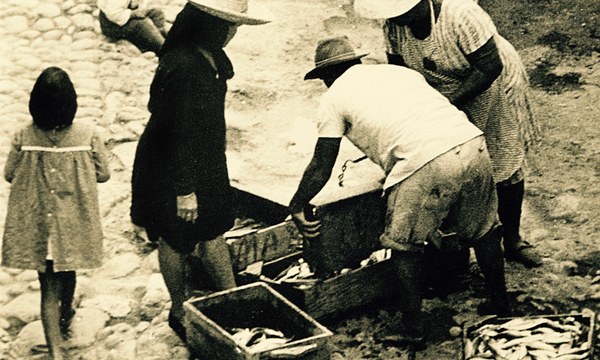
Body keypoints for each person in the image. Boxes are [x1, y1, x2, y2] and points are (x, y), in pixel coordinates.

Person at [289, 35, 510, 346]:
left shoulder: (333, 98)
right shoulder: (399, 73)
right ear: (355, 61)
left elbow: (321, 164)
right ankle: (501, 301)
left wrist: (298, 202)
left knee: (403, 246)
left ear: (326, 76)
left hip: (425, 161)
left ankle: (413, 328)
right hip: (471, 143)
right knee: (485, 229)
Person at [354, 0, 543, 267]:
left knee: (503, 164)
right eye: (393, 16)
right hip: (441, 86)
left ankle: (512, 240)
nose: (399, 20)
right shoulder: (395, 26)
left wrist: (447, 105)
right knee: (451, 160)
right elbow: (401, 73)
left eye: (403, 13)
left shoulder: (461, 14)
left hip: (490, 79)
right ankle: (459, 244)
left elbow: (490, 66)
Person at [130, 0, 273, 343]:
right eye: (231, 26)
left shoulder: (207, 55)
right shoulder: (183, 66)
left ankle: (233, 299)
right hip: (172, 166)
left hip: (205, 159)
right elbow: (177, 131)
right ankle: (179, 308)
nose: (234, 33)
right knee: (175, 235)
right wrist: (184, 190)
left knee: (215, 228)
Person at [1, 67, 111, 360]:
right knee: (69, 268)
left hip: (39, 226)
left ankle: (56, 349)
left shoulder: (23, 135)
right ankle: (66, 314)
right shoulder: (88, 134)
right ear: (71, 102)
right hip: (72, 223)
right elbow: (104, 175)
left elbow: (9, 174)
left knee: (47, 286)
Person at [98, 0, 168, 54]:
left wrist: (142, 11)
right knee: (142, 24)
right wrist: (134, 14)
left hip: (127, 14)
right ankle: (163, 48)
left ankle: (160, 38)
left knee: (156, 13)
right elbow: (113, 14)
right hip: (112, 25)